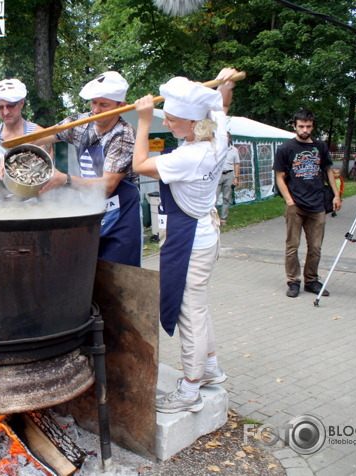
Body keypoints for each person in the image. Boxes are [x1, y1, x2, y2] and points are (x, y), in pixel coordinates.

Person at [132, 68, 238, 413]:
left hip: (189, 239)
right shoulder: (217, 136)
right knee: (200, 305)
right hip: (205, 234)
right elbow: (221, 106)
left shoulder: (187, 157)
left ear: (193, 123)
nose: (170, 124)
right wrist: (226, 82)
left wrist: (144, 120)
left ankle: (190, 389)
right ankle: (209, 367)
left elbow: (139, 164)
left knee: (188, 312)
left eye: (174, 121)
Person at [36, 71, 142, 267]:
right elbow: (42, 135)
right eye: (94, 103)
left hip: (121, 214)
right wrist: (11, 150)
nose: (96, 110)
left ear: (122, 106)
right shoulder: (79, 124)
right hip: (91, 211)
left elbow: (107, 187)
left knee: (120, 275)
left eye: (104, 105)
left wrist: (65, 180)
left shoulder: (123, 135)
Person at [273, 109, 341, 298]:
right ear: (294, 126)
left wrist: (336, 195)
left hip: (317, 204)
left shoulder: (320, 146)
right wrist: (289, 200)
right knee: (292, 246)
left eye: (308, 126)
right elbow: (280, 177)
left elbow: (328, 170)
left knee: (316, 246)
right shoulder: (286, 148)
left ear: (312, 126)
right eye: (301, 126)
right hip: (296, 205)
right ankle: (293, 281)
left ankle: (311, 281)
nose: (304, 130)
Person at [0, 78, 50, 161]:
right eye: (0, 107)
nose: (5, 112)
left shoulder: (38, 134)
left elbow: (46, 170)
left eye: (10, 106)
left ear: (21, 103)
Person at [216, 133, 240, 225]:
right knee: (214, 198)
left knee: (226, 198)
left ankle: (223, 219)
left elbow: (237, 164)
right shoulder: (216, 149)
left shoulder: (234, 150)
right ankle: (214, 218)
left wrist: (236, 177)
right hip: (217, 175)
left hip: (229, 174)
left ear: (229, 139)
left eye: (227, 137)